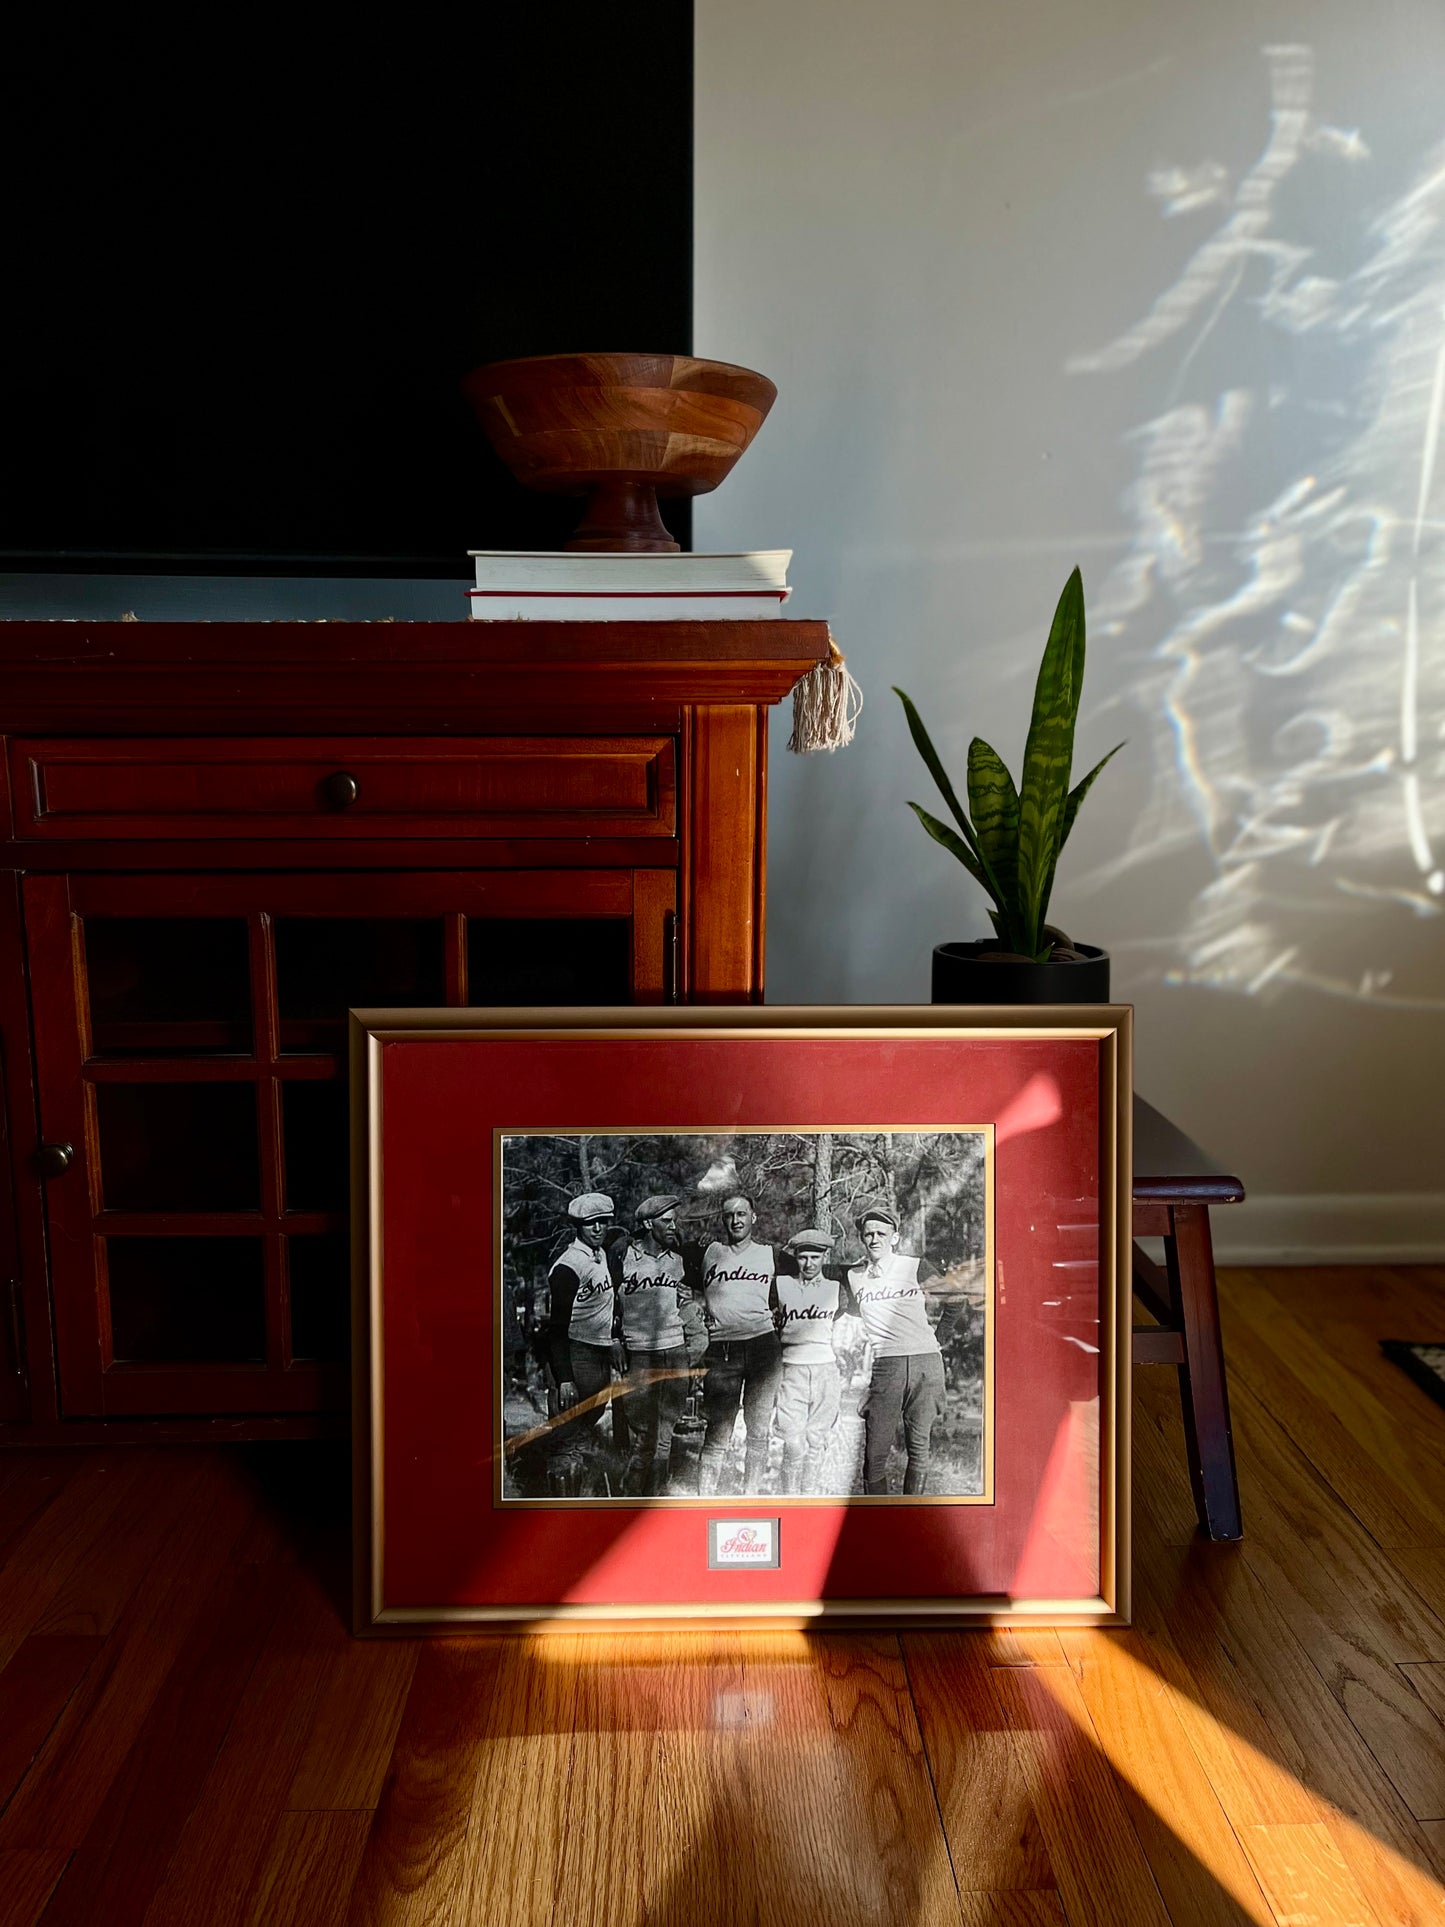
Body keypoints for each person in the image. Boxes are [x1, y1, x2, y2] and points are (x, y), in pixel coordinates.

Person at [846, 1204, 951, 1496]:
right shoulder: (854, 1276)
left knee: (919, 1448)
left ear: (895, 1237)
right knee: (874, 1456)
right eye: (869, 1234)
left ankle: (910, 1514)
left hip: (925, 1364)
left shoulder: (914, 1266)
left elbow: (954, 1299)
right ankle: (879, 1518)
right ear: (862, 1238)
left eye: (881, 1233)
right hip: (886, 1365)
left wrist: (938, 1339)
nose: (874, 1239)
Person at [697, 1194, 783, 1495]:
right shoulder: (709, 1251)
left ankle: (751, 1496)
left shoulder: (770, 1254)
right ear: (723, 1219)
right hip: (723, 1349)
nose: (735, 1220)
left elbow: (810, 1273)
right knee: (718, 1430)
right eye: (729, 1215)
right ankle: (705, 1499)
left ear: (753, 1217)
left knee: (758, 1430)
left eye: (741, 1214)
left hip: (763, 1349)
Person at [616, 1195, 696, 1495]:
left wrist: (688, 1302)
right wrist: (613, 1339)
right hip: (639, 1353)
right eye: (667, 1221)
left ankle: (656, 1497)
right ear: (649, 1224)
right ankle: (629, 1495)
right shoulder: (623, 1256)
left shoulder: (678, 1261)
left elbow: (685, 1302)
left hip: (674, 1350)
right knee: (644, 1435)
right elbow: (608, 1302)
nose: (673, 1226)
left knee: (666, 1433)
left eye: (675, 1221)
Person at [546, 1192, 626, 1470]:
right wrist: (565, 1378)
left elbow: (609, 1304)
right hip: (575, 1354)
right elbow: (556, 1329)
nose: (598, 1228)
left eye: (603, 1221)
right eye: (590, 1223)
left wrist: (613, 1338)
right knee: (566, 1439)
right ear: (578, 1226)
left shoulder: (601, 1255)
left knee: (583, 1432)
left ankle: (581, 1488)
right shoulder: (568, 1266)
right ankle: (561, 1490)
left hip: (599, 1356)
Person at [773, 1227, 849, 1494]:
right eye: (803, 1257)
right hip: (791, 1370)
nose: (808, 1264)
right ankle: (789, 1500)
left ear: (824, 1257)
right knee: (793, 1442)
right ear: (795, 1257)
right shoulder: (781, 1285)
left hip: (825, 1370)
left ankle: (808, 1499)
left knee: (816, 1441)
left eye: (815, 1257)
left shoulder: (836, 1289)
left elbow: (837, 1315)